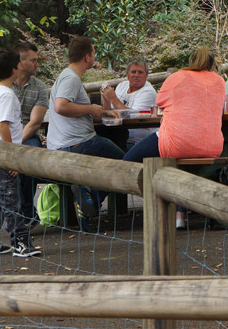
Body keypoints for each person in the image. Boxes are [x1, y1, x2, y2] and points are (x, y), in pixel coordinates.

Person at [123, 46, 225, 228]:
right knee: (182, 161)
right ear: (212, 64)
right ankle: (181, 208)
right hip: (212, 146)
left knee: (128, 160)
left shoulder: (177, 77)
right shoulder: (219, 81)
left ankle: (163, 200)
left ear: (191, 61)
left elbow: (160, 101)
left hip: (178, 143)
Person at [46, 36, 124, 229]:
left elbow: (74, 109)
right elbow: (61, 106)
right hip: (76, 143)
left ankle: (88, 201)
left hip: (66, 142)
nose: (94, 56)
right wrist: (90, 109)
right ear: (87, 57)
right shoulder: (71, 78)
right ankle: (91, 199)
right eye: (94, 52)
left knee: (111, 157)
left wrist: (101, 110)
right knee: (125, 161)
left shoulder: (68, 76)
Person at [0, 49, 42, 257]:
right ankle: (21, 243)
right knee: (11, 201)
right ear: (14, 69)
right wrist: (11, 158)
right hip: (3, 152)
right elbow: (4, 126)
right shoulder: (7, 95)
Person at [12, 41, 49, 227]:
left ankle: (25, 213)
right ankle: (18, 213)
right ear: (20, 62)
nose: (37, 64)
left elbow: (35, 122)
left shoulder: (40, 87)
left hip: (28, 135)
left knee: (28, 158)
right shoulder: (3, 85)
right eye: (33, 60)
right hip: (5, 135)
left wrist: (15, 143)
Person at [100, 57, 157, 150]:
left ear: (146, 75)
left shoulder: (148, 92)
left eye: (140, 72)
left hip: (138, 142)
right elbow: (111, 113)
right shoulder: (122, 86)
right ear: (127, 74)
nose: (136, 75)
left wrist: (113, 99)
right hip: (120, 136)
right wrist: (106, 100)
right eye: (133, 72)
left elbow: (133, 116)